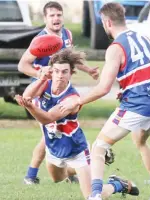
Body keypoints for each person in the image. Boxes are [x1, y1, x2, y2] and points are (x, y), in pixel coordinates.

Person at [59, 2, 150, 200]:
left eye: (103, 23)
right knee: (141, 142)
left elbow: (103, 88)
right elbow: (142, 72)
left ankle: (95, 195)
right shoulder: (144, 38)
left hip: (138, 106)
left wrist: (76, 102)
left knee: (99, 147)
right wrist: (127, 89)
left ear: (107, 22)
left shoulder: (115, 48)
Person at [15, 48, 139, 199]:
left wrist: (29, 106)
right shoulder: (45, 84)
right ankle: (92, 164)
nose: (60, 76)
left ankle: (117, 184)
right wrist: (41, 78)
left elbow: (47, 118)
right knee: (57, 178)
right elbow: (27, 95)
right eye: (57, 71)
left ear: (71, 73)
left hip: (76, 149)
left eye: (64, 72)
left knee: (92, 196)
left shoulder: (72, 98)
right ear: (51, 71)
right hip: (54, 147)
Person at [18, 1, 99, 185]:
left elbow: (69, 59)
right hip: (42, 92)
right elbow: (22, 65)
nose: (56, 18)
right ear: (45, 18)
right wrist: (39, 74)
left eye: (59, 14)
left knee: (56, 130)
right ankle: (31, 175)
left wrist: (88, 70)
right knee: (49, 130)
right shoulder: (40, 40)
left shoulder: (67, 34)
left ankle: (66, 172)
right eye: (52, 15)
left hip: (61, 91)